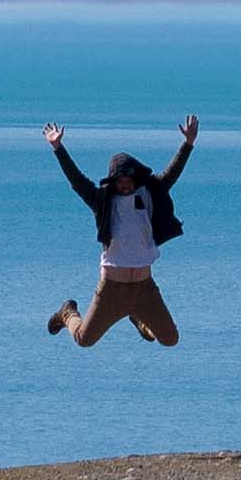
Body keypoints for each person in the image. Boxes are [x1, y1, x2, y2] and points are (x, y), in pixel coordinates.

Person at [44, 113, 196, 344]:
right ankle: (67, 313)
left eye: (129, 181)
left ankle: (139, 319)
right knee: (84, 339)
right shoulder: (103, 201)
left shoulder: (149, 195)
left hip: (144, 288)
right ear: (113, 182)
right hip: (111, 288)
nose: (125, 185)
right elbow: (77, 180)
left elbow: (171, 173)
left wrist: (188, 144)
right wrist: (57, 147)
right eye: (120, 181)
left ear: (136, 181)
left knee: (169, 339)